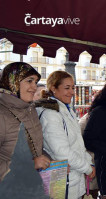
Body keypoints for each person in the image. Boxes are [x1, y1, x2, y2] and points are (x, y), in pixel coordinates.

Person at [36, 71, 95, 199]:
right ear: (53, 88)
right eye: (67, 88)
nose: (72, 92)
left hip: (72, 178)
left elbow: (78, 144)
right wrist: (87, 168)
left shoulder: (65, 110)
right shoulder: (51, 114)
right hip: (62, 181)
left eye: (73, 88)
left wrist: (89, 163)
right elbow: (61, 152)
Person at [0, 62, 50, 198]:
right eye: (29, 81)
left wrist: (50, 161)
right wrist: (30, 164)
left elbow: (34, 147)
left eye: (36, 81)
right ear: (12, 82)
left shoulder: (30, 109)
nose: (35, 87)